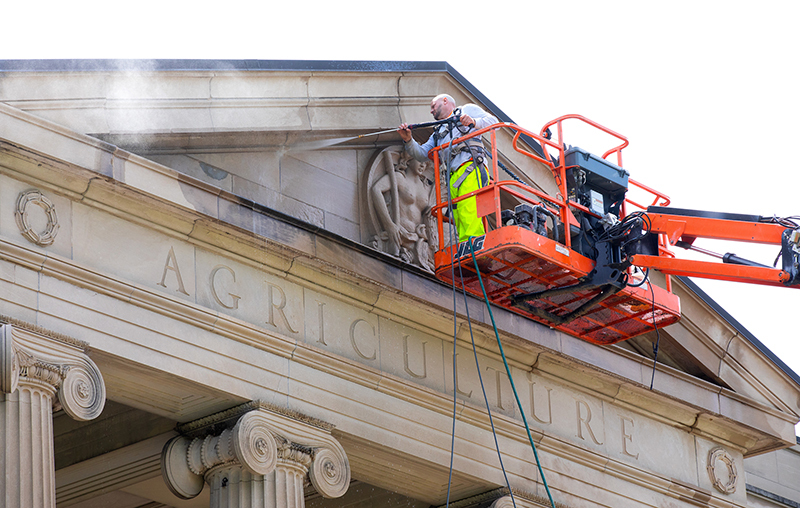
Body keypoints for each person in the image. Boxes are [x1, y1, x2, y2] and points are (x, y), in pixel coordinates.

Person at [398, 94, 497, 243]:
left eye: (433, 106)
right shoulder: (438, 133)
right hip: (453, 176)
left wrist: (473, 121)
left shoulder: (466, 110)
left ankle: (476, 244)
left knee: (468, 208)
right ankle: (466, 245)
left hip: (470, 167)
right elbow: (422, 154)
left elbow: (494, 122)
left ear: (445, 101)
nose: (431, 111)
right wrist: (408, 140)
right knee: (458, 214)